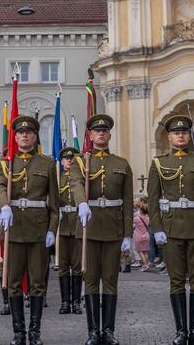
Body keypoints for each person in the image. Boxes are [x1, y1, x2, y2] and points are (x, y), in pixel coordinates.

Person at [147, 115, 194, 345]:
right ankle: (180, 331)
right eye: (176, 133)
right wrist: (157, 228)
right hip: (171, 228)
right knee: (176, 281)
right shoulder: (159, 162)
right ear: (169, 137)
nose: (180, 135)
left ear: (189, 136)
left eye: (184, 132)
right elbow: (153, 199)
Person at [0, 115, 59, 345]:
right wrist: (4, 206)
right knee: (13, 282)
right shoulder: (5, 163)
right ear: (15, 136)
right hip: (13, 230)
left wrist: (52, 229)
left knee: (38, 282)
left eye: (29, 132)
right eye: (20, 132)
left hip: (38, 230)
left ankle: (35, 332)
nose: (24, 135)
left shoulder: (47, 164)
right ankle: (18, 333)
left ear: (34, 136)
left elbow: (54, 202)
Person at [70, 114, 134, 345]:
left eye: (105, 130)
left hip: (113, 228)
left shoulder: (121, 163)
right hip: (89, 226)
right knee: (90, 280)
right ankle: (92, 331)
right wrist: (82, 203)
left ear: (109, 134)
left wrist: (128, 233)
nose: (101, 134)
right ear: (90, 134)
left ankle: (108, 330)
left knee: (110, 280)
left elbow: (127, 201)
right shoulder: (80, 161)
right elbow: (75, 183)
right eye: (97, 131)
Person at [56, 147, 82, 315]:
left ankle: (76, 302)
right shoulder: (57, 179)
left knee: (78, 266)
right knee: (63, 266)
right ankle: (65, 302)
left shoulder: (81, 176)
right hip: (63, 224)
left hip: (79, 223)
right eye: (66, 159)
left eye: (72, 159)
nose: (69, 161)